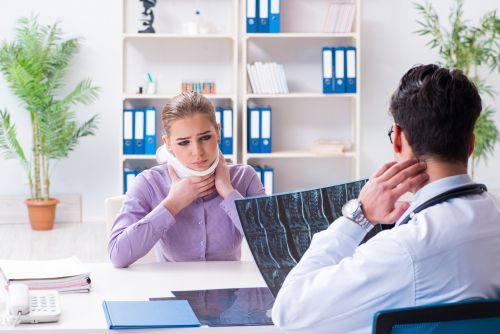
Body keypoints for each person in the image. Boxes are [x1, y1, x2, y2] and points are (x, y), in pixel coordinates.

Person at [272, 64, 500, 333]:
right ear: (471, 145)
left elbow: (289, 311)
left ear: (398, 139)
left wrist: (359, 216)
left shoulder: (404, 249)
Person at [109, 92, 265, 267]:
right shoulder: (149, 183)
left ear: (218, 132)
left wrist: (228, 191)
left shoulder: (245, 177)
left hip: (230, 289)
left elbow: (273, 246)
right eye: (183, 142)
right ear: (168, 143)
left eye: (205, 138)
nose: (197, 152)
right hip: (172, 289)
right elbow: (118, 255)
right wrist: (172, 204)